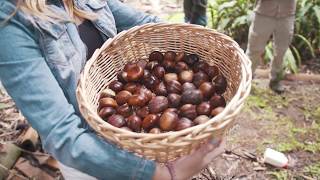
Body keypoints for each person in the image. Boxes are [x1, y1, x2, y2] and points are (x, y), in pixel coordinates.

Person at [0, 0, 225, 179]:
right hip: (91, 153)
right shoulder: (10, 22)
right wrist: (162, 175)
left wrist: (205, 46)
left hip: (141, 140)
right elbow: (64, 135)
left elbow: (148, 24)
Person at [246, 0, 297, 93]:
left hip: (287, 14)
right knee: (254, 50)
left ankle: (275, 80)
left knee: (281, 51)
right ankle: (245, 80)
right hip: (263, 13)